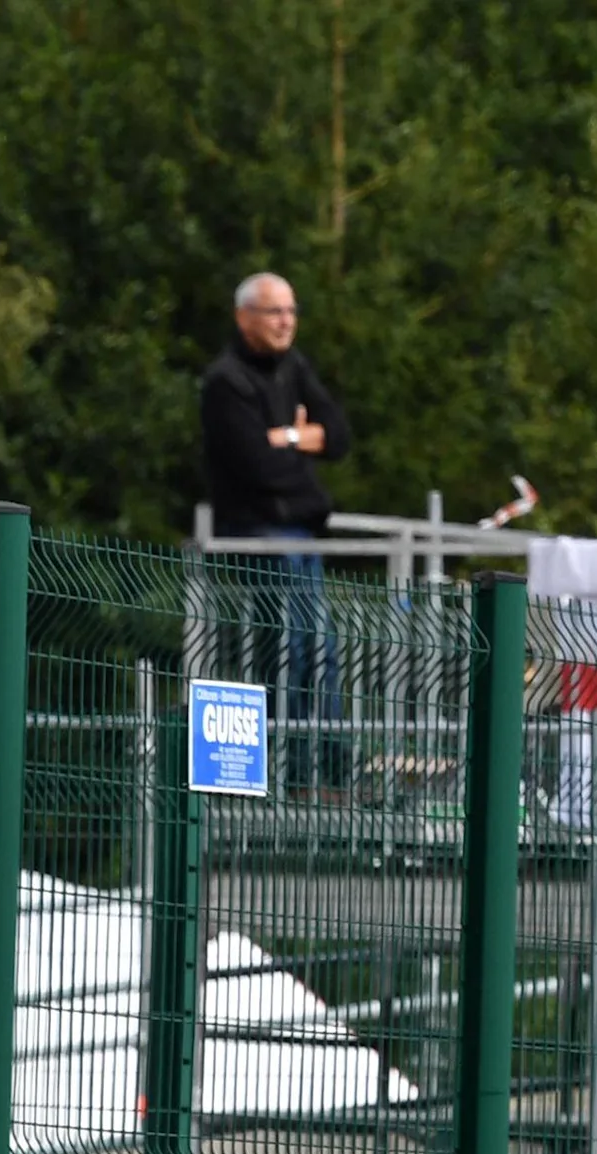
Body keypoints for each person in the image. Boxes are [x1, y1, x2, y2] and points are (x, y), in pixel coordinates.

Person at [202, 271, 355, 788]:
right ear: (244, 317)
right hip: (259, 538)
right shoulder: (226, 382)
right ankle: (283, 776)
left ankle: (329, 776)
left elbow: (338, 437)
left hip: (301, 536)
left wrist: (284, 436)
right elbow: (255, 465)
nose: (286, 321)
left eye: (292, 310)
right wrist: (300, 441)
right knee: (284, 653)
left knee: (323, 653)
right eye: (274, 312)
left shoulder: (294, 368)